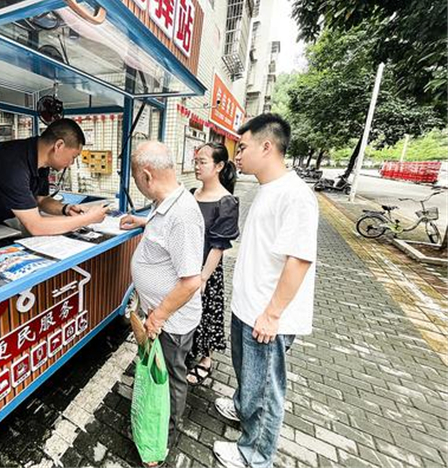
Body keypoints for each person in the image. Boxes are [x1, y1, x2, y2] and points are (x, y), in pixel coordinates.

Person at [213, 113, 319, 468]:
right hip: (249, 306)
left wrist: (272, 314)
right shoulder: (267, 188)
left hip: (267, 315)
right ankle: (243, 409)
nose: (236, 155)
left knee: (266, 389)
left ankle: (254, 455)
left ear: (267, 146)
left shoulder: (296, 196)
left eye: (242, 147)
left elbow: (299, 261)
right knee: (250, 378)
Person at [120, 141, 204, 458]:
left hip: (171, 321)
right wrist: (142, 222)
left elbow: (191, 281)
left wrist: (158, 316)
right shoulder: (166, 203)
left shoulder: (182, 214)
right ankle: (154, 424)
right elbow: (165, 237)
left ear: (146, 174)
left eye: (137, 180)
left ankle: (161, 439)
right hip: (163, 316)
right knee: (159, 373)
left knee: (168, 377)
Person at [186, 143, 239, 386]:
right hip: (185, 264)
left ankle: (206, 359)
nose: (197, 166)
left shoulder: (226, 201)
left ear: (218, 166)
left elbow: (219, 246)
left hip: (206, 269)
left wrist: (204, 278)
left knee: (207, 312)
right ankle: (187, 348)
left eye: (202, 162)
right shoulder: (191, 193)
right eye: (196, 161)